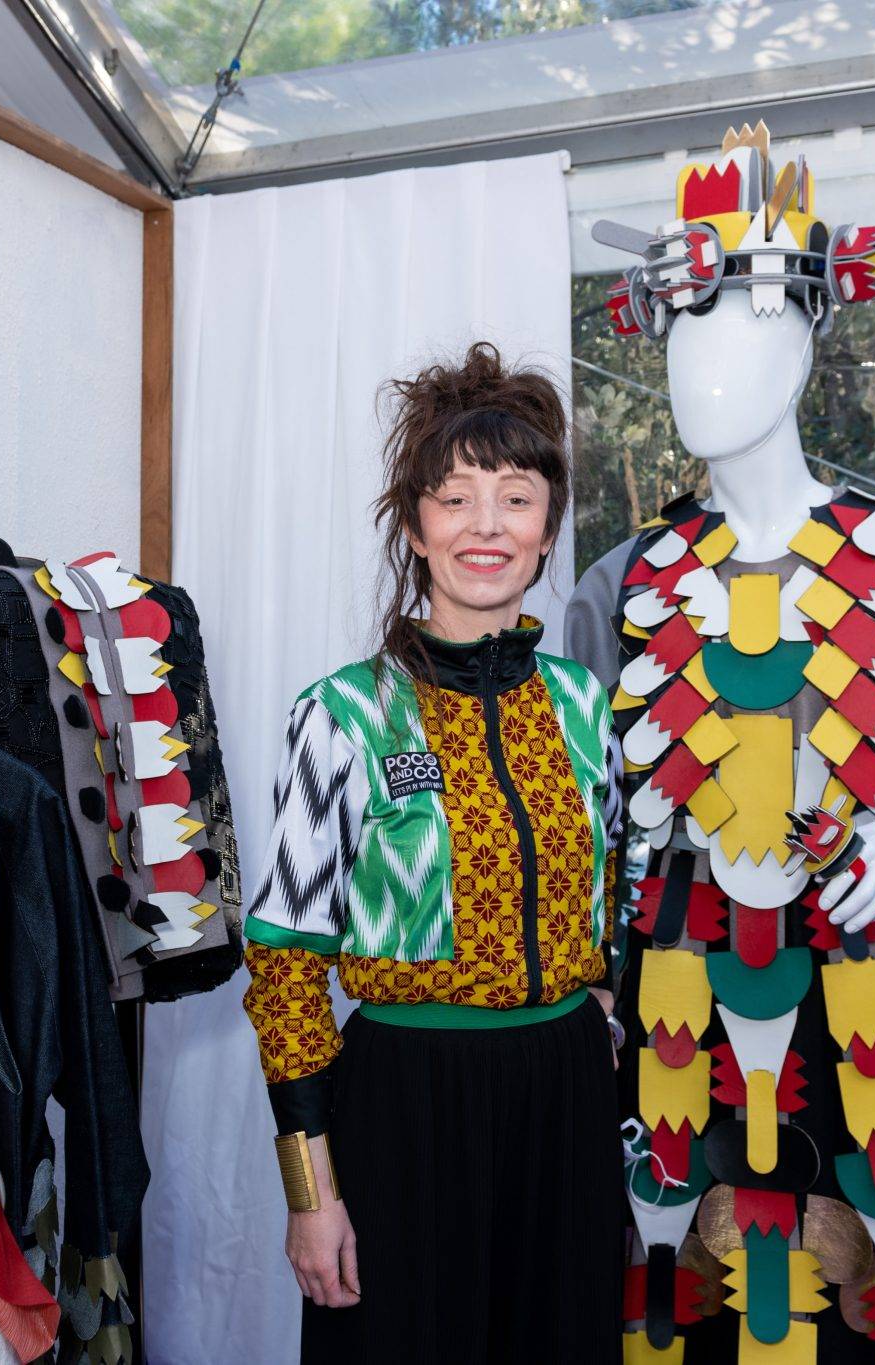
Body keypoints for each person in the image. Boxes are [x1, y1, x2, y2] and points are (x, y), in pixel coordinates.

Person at [240, 342, 626, 1364]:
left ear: (547, 529)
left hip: (565, 1098)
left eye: (514, 497)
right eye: (453, 499)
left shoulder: (588, 709)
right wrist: (309, 1195)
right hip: (404, 1104)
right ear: (414, 527)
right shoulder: (342, 715)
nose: (485, 526)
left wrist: (603, 1018)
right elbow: (283, 969)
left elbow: (607, 908)